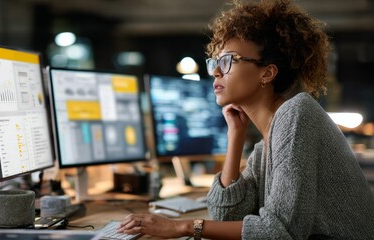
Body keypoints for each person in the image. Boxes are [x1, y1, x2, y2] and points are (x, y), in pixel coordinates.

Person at [117, 0, 374, 239]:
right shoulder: (267, 143)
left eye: (229, 60)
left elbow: (281, 231)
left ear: (267, 73)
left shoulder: (297, 113)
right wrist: (235, 135)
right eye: (215, 62)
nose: (216, 71)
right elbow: (225, 216)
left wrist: (181, 226)